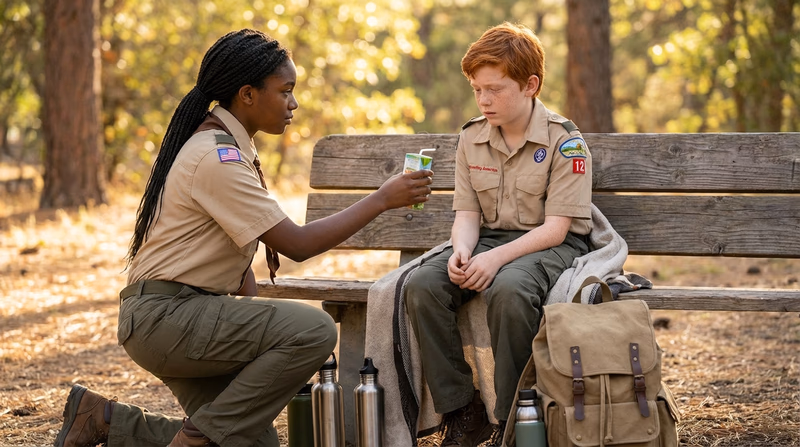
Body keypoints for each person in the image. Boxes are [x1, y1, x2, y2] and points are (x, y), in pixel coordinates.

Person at [54, 29, 433, 447]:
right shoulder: (217, 157)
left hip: (176, 316)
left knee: (251, 442)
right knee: (314, 330)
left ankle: (105, 419)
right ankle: (194, 441)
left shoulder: (226, 146)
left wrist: (261, 337)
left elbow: (237, 264)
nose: (294, 103)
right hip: (166, 319)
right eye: (285, 90)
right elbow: (298, 245)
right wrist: (381, 199)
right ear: (248, 94)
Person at [404, 22, 592, 446]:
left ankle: (516, 419)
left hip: (550, 244)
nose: (484, 100)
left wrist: (494, 259)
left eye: (495, 89)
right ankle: (462, 410)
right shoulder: (472, 137)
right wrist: (463, 250)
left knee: (508, 290)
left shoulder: (565, 142)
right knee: (423, 285)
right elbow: (467, 214)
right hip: (489, 239)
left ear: (530, 85)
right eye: (477, 89)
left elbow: (557, 229)